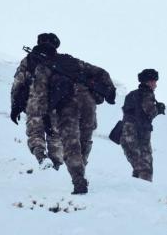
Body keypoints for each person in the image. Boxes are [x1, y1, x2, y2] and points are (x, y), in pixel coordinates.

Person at [25, 34, 116, 194]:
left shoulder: (42, 67)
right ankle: (81, 171)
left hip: (67, 106)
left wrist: (45, 118)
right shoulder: (71, 60)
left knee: (71, 144)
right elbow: (102, 72)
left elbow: (40, 97)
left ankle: (79, 180)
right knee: (85, 141)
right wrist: (109, 91)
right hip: (88, 103)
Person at [10, 33, 63, 170]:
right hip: (54, 105)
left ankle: (42, 158)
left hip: (33, 102)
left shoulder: (29, 59)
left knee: (35, 132)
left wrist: (14, 107)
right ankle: (56, 165)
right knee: (55, 135)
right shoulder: (60, 62)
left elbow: (18, 83)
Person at [120, 69, 165, 181]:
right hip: (139, 133)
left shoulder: (131, 94)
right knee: (145, 167)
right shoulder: (147, 94)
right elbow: (150, 111)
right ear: (148, 82)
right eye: (154, 81)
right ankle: (145, 190)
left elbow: (127, 112)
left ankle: (136, 188)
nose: (156, 85)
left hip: (126, 132)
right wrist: (158, 109)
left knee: (137, 166)